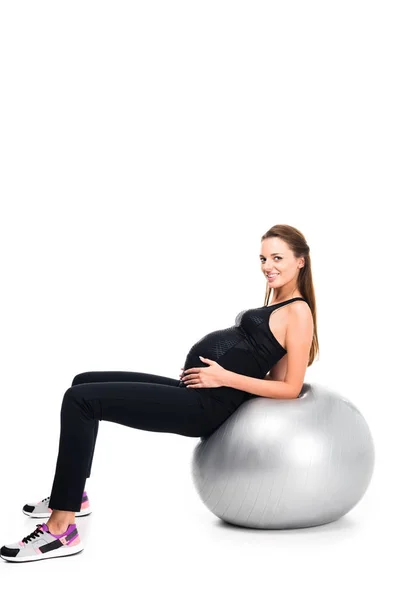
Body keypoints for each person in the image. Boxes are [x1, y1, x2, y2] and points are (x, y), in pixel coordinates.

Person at [0, 223, 318, 562]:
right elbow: (270, 371)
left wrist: (224, 377)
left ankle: (62, 529)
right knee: (82, 382)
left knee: (80, 401)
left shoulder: (298, 311)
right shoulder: (280, 302)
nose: (268, 266)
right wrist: (219, 374)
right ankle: (73, 494)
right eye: (263, 258)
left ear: (300, 261)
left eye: (277, 258)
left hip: (205, 406)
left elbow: (290, 387)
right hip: (199, 391)